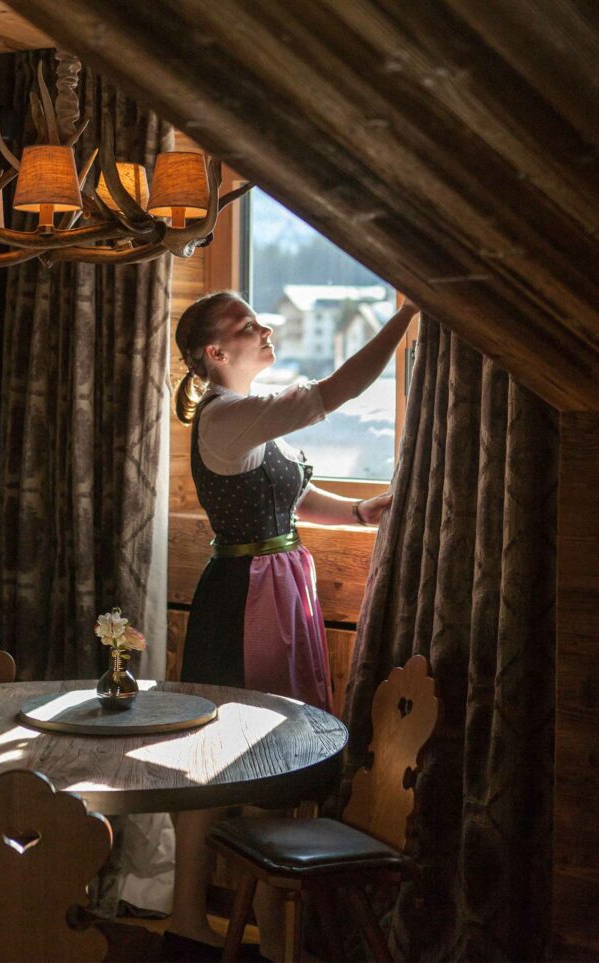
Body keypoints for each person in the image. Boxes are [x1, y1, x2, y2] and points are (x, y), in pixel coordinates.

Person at [165, 290, 420, 958]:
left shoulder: (245, 422)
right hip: (247, 599)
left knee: (245, 760)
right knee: (234, 763)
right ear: (215, 353)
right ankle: (223, 928)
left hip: (271, 590)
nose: (265, 326)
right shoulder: (225, 419)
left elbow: (293, 497)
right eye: (246, 324)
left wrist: (365, 513)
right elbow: (331, 394)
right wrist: (404, 314)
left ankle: (217, 925)